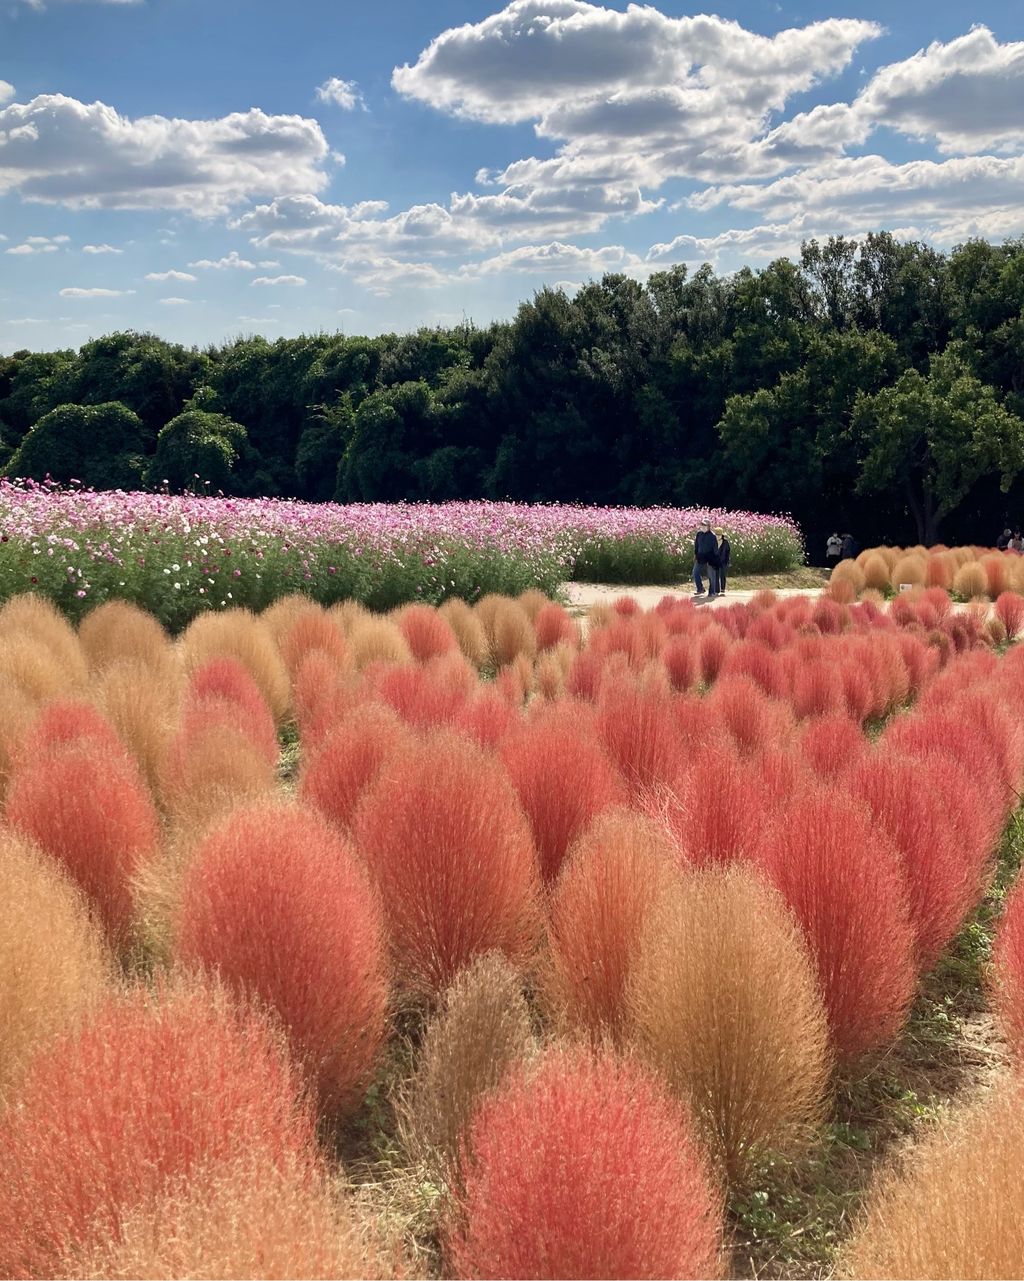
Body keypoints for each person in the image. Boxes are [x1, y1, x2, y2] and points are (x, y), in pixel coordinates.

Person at [693, 521, 719, 598]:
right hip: (700, 556)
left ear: (708, 526)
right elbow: (696, 545)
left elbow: (715, 549)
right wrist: (695, 554)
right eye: (701, 525)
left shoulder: (712, 536)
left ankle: (712, 592)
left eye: (704, 525)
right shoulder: (699, 534)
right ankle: (700, 589)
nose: (702, 526)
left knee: (711, 575)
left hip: (710, 557)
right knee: (695, 572)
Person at [716, 528, 731, 595]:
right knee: (716, 575)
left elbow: (728, 552)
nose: (718, 536)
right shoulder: (713, 541)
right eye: (716, 534)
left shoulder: (725, 542)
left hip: (723, 561)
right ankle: (717, 590)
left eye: (719, 534)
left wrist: (727, 561)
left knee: (722, 575)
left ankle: (723, 589)